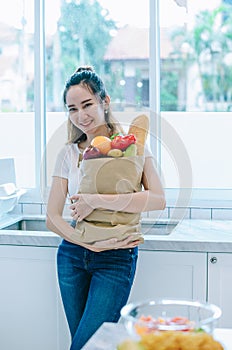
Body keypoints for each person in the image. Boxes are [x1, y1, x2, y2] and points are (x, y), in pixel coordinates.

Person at [46, 65, 166, 350]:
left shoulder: (133, 148)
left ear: (105, 101)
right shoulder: (68, 153)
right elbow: (52, 217)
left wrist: (96, 201)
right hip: (72, 256)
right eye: (72, 108)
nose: (81, 115)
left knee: (87, 346)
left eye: (87, 104)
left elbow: (158, 199)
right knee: (85, 344)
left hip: (116, 257)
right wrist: (85, 242)